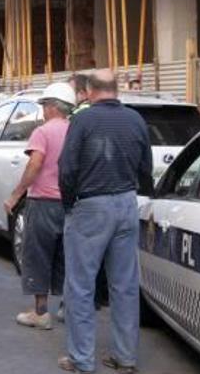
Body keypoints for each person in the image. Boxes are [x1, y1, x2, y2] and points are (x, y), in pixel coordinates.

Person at [57, 69, 153, 374]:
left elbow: (67, 168)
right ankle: (125, 358)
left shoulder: (82, 120)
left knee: (80, 286)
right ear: (116, 90)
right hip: (126, 202)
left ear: (89, 90)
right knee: (124, 286)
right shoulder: (136, 120)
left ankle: (81, 360)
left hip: (90, 206)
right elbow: (146, 167)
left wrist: (69, 203)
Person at [3, 82, 75, 331]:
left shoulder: (43, 132)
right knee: (67, 257)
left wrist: (15, 195)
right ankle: (68, 308)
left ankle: (41, 313)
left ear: (53, 107)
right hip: (70, 204)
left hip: (43, 202)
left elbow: (34, 165)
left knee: (38, 256)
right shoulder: (77, 130)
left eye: (44, 105)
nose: (43, 110)